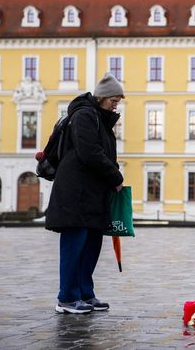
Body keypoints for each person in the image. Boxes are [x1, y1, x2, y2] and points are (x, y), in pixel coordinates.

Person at [45, 73, 124, 314]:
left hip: (92, 195)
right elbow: (89, 152)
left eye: (118, 100)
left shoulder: (100, 119)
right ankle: (67, 298)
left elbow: (104, 155)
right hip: (75, 194)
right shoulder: (84, 116)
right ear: (101, 97)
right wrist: (115, 176)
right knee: (74, 247)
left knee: (90, 247)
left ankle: (85, 294)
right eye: (113, 99)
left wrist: (112, 173)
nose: (116, 104)